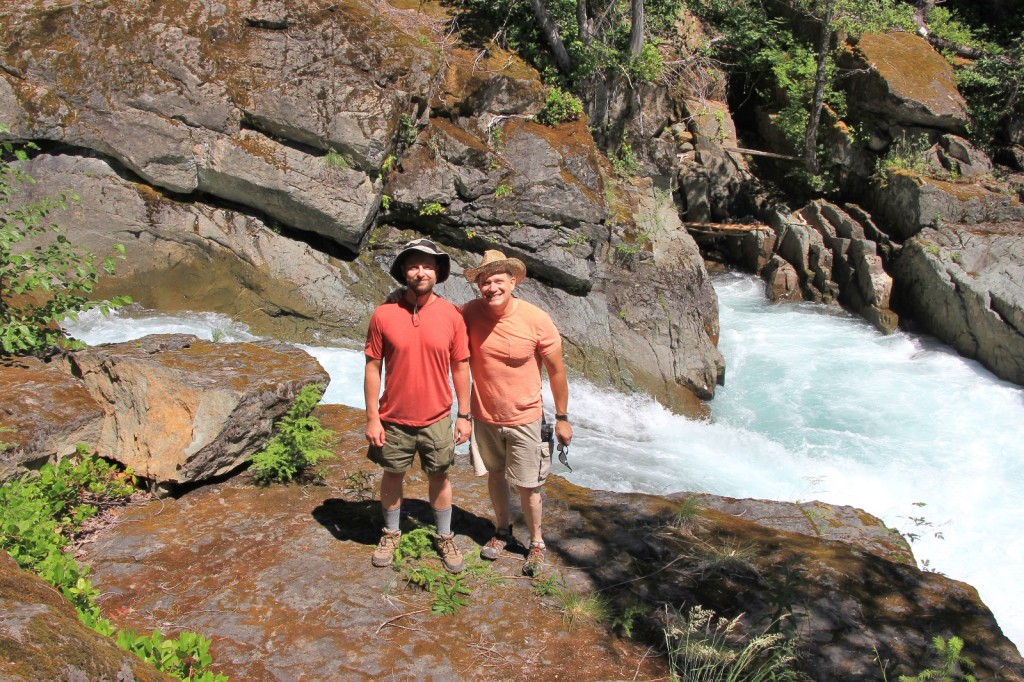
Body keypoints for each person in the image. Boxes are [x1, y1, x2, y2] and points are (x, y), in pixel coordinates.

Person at [461, 249, 573, 576]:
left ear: (513, 282)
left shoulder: (536, 319)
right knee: (495, 477)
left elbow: (557, 371)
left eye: (498, 280)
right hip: (484, 417)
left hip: (526, 418)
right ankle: (501, 531)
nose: (491, 287)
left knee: (529, 485)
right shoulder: (468, 313)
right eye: (484, 281)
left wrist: (563, 417)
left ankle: (537, 543)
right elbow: (438, 329)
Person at [364, 238, 472, 573]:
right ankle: (392, 532)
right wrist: (372, 418)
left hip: (437, 417)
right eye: (413, 265)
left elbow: (461, 367)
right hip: (393, 417)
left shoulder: (452, 316)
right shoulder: (383, 314)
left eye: (427, 265)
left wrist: (464, 415)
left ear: (438, 272)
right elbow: (372, 367)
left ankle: (444, 536)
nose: (420, 271)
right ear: (403, 272)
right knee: (392, 474)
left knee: (439, 477)